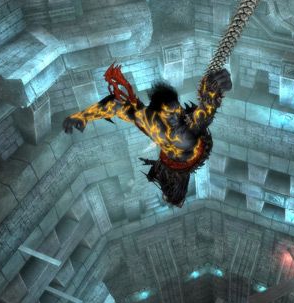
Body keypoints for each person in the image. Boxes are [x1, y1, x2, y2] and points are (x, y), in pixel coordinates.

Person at [62, 64, 232, 207]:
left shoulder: (179, 131)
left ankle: (174, 194)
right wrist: (83, 115)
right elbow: (115, 105)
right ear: (157, 115)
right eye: (171, 114)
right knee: (175, 182)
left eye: (178, 110)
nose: (178, 115)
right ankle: (173, 194)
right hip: (177, 158)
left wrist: (212, 90)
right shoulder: (155, 124)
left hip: (184, 155)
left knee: (182, 147)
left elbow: (203, 114)